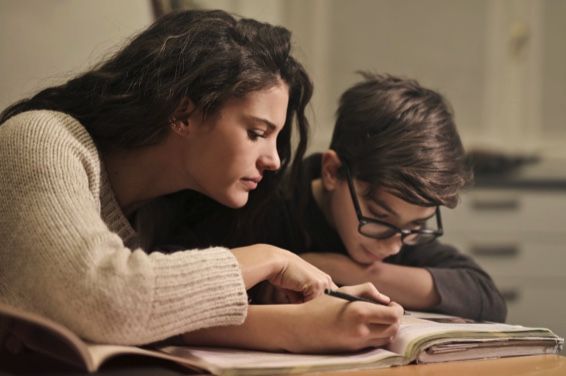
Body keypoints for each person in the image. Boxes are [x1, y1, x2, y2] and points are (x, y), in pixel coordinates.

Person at [0, 10, 402, 353]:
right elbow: (109, 301)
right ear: (183, 113)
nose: (275, 160)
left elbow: (155, 315)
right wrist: (269, 258)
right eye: (257, 132)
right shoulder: (42, 139)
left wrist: (309, 317)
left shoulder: (162, 210)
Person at [173, 73, 507, 322]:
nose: (393, 246)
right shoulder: (260, 202)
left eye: (417, 226)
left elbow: (486, 297)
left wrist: (349, 270)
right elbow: (180, 287)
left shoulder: (401, 232)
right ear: (332, 172)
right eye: (379, 217)